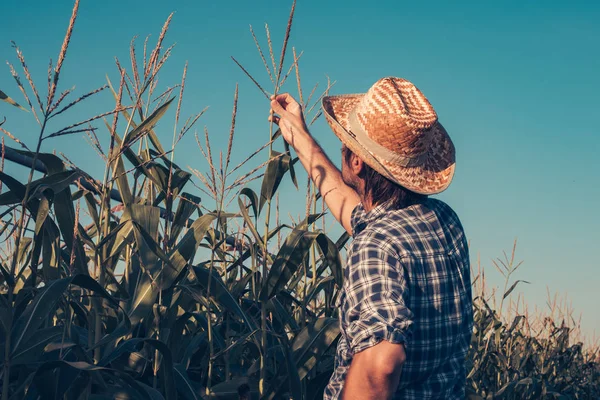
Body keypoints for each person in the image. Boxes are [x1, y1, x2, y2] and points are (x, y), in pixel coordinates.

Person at [268, 77, 473, 399]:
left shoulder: (376, 245)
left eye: (346, 143)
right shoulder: (443, 219)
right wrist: (300, 136)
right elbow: (354, 210)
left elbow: (382, 362)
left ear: (357, 162)